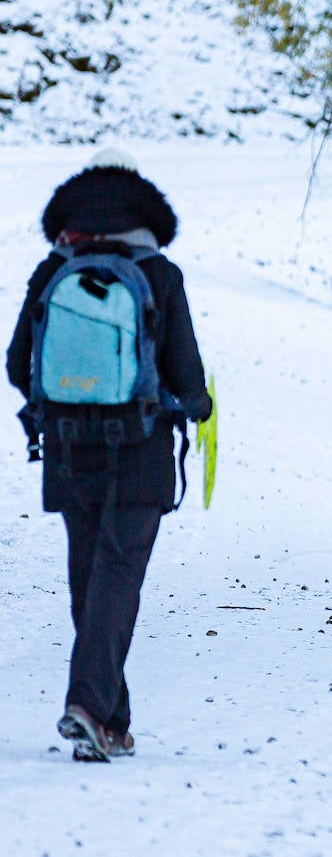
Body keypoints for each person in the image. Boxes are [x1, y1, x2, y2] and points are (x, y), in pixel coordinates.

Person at [6, 146, 213, 762]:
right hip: (140, 445)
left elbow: (19, 365)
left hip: (68, 446)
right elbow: (186, 373)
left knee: (88, 579)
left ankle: (109, 723)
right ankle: (90, 707)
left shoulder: (52, 272)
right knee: (118, 575)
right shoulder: (158, 273)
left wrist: (68, 403)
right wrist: (197, 405)